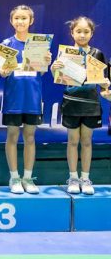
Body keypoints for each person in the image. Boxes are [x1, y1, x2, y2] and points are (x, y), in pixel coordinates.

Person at [51, 16, 109, 195]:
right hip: (71, 103)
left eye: (86, 32)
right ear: (72, 33)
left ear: (92, 33)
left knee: (86, 141)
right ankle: (73, 178)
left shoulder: (97, 54)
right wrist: (54, 68)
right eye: (78, 31)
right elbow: (58, 77)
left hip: (91, 104)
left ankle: (85, 178)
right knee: (73, 141)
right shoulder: (65, 54)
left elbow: (103, 85)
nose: (82, 35)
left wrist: (106, 86)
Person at [1, 5, 51, 194]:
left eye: (24, 18)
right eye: (17, 18)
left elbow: (42, 72)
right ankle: (14, 178)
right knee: (12, 136)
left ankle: (28, 178)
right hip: (13, 99)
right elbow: (2, 73)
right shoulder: (6, 44)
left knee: (30, 137)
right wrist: (3, 70)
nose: (20, 21)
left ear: (31, 21)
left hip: (32, 98)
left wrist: (46, 62)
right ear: (11, 21)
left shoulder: (39, 44)